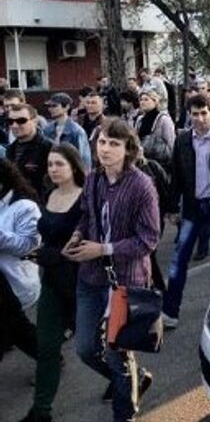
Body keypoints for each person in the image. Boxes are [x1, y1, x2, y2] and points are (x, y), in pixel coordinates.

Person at [62, 119, 160, 422]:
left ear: (128, 149)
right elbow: (86, 217)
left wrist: (104, 249)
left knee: (118, 355)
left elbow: (149, 239)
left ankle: (125, 412)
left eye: (113, 144)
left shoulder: (142, 186)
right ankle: (135, 378)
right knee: (85, 349)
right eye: (102, 142)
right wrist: (77, 237)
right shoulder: (93, 179)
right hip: (91, 278)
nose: (105, 149)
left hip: (126, 282)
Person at [19, 144, 85, 422]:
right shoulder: (49, 194)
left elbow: (77, 251)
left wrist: (47, 255)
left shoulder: (85, 200)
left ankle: (132, 378)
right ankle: (41, 411)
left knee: (94, 348)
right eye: (50, 164)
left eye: (59, 164)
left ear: (74, 166)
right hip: (52, 283)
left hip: (82, 285)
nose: (53, 169)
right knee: (46, 348)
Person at [163, 95, 210, 328]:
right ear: (189, 115)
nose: (200, 118)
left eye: (204, 113)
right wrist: (172, 207)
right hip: (192, 207)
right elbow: (176, 176)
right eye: (195, 114)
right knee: (178, 260)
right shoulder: (182, 141)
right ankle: (170, 311)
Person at [0, 159, 41, 363]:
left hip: (14, 281)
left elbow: (28, 245)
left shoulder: (24, 206)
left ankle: (49, 359)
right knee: (16, 328)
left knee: (17, 327)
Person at [6, 104, 53, 199]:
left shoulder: (48, 148)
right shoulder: (10, 150)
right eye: (10, 121)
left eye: (21, 121)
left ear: (35, 121)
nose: (14, 125)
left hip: (39, 206)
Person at [42, 92, 92, 169]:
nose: (50, 109)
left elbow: (83, 159)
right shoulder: (47, 129)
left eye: (54, 106)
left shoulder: (76, 131)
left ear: (66, 107)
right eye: (49, 106)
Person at [136, 90, 176, 171]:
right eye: (141, 100)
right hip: (142, 162)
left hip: (160, 165)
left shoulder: (164, 120)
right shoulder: (140, 120)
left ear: (154, 101)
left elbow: (172, 143)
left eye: (146, 99)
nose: (142, 102)